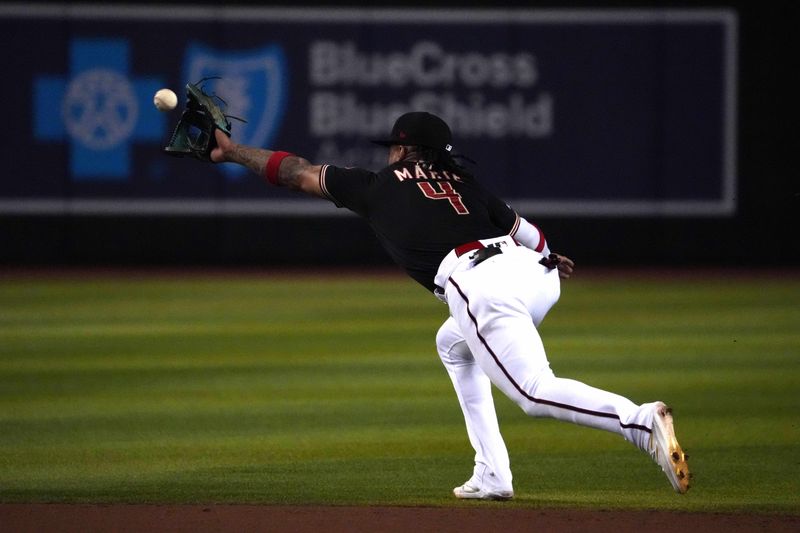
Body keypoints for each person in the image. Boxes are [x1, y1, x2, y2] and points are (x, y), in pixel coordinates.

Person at [208, 111, 691, 498]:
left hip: (478, 279)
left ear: (401, 150)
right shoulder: (466, 183)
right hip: (535, 273)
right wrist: (548, 258)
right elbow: (530, 234)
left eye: (393, 146)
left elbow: (295, 172)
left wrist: (232, 152)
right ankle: (492, 473)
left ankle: (640, 422)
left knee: (533, 392)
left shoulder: (376, 184)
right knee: (453, 344)